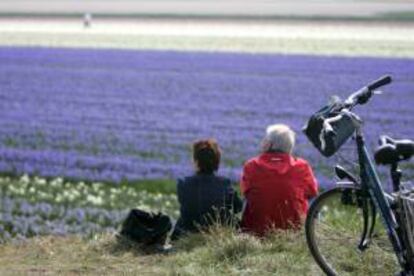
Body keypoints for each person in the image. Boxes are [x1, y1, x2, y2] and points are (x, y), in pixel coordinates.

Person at [240, 124, 318, 236]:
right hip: (293, 233)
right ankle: (311, 238)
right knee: (316, 206)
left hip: (257, 233)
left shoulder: (251, 165)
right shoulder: (302, 166)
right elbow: (312, 192)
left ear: (269, 144)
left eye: (265, 139)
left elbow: (245, 192)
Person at [172, 139, 242, 239]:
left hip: (189, 231)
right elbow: (238, 207)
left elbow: (188, 207)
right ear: (217, 161)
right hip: (217, 234)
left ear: (196, 161)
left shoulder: (183, 183)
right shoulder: (224, 183)